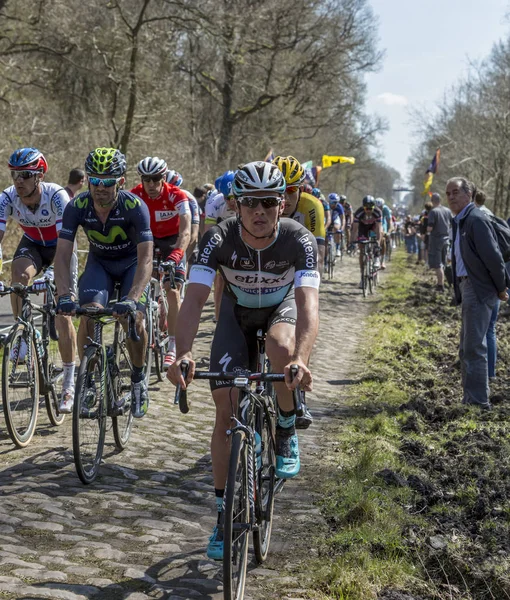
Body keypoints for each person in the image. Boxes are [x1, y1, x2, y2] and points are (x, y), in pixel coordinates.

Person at [167, 161, 320, 560]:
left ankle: (285, 426)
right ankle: (222, 514)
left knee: (281, 349)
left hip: (280, 311)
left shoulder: (298, 240)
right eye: (250, 202)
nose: (260, 211)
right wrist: (181, 351)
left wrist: (301, 360)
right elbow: (194, 299)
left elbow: (308, 306)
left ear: (282, 204)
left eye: (269, 202)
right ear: (236, 204)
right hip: (235, 315)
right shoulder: (217, 239)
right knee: (226, 411)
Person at [55, 147, 153, 417]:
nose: (100, 187)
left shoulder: (135, 207)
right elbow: (62, 255)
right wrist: (64, 295)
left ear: (121, 181)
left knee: (133, 320)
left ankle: (137, 379)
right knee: (88, 313)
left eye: (108, 181)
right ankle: (88, 377)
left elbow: (146, 260)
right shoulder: (77, 206)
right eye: (95, 180)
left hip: (132, 265)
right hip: (100, 266)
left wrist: (132, 299)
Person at [0, 147, 78, 411]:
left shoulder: (57, 197)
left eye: (25, 175)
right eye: (14, 175)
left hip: (61, 247)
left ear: (39, 176)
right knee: (19, 278)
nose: (18, 181)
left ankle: (69, 380)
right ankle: (24, 333)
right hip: (32, 243)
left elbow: (64, 246)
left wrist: (58, 281)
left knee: (62, 311)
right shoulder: (7, 197)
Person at [447, 176, 508, 410]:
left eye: (455, 192)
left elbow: (493, 258)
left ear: (468, 195)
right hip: (468, 286)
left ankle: (478, 402)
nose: (451, 197)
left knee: (474, 347)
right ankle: (470, 398)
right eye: (448, 193)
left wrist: (501, 288)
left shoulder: (476, 219)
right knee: (467, 346)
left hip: (478, 287)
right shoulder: (461, 220)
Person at [131, 158, 191, 367]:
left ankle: (173, 346)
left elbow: (186, 230)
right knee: (141, 285)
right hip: (148, 241)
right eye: (146, 179)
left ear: (163, 178)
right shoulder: (134, 194)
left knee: (172, 291)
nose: (151, 184)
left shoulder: (177, 195)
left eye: (155, 179)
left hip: (172, 242)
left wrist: (177, 253)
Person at [272, 156, 326, 273]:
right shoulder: (263, 205)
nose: (284, 197)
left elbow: (318, 257)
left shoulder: (312, 205)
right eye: (279, 190)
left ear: (300, 189)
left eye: (291, 190)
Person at [204, 170, 237, 322]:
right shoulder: (214, 202)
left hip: (242, 229)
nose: (231, 201)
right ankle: (218, 318)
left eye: (234, 197)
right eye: (227, 197)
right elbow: (208, 233)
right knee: (220, 277)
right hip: (222, 231)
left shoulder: (248, 201)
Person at [350, 195, 383, 287]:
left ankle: (376, 257)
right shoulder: (358, 213)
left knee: (380, 236)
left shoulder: (377, 212)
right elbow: (354, 229)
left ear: (373, 207)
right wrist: (352, 242)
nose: (368, 211)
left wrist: (378, 243)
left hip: (373, 227)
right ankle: (362, 276)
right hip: (363, 227)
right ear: (363, 207)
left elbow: (379, 229)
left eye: (370, 208)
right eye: (366, 208)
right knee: (362, 249)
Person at [427, 193, 452, 292]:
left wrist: (426, 230)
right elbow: (452, 224)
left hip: (436, 240)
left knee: (438, 264)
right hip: (446, 239)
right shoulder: (448, 210)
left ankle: (440, 285)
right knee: (444, 262)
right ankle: (448, 281)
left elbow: (430, 227)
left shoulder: (433, 212)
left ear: (432, 201)